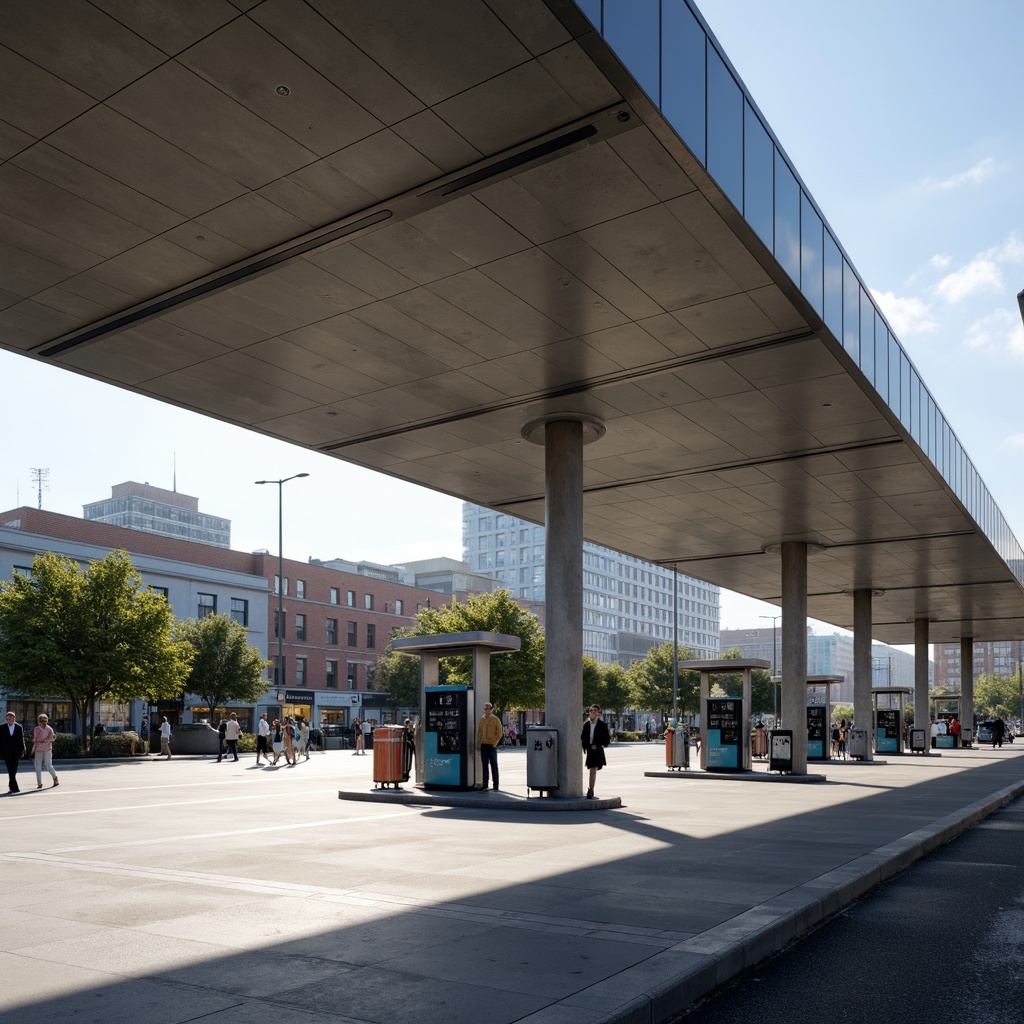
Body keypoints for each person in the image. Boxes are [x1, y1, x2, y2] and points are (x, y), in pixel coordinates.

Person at [581, 704, 610, 799]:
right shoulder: (585, 725)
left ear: (599, 714)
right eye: (591, 711)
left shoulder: (602, 725)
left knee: (593, 769)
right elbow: (583, 738)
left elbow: (606, 741)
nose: (592, 713)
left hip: (597, 750)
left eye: (595, 711)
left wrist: (597, 746)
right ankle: (590, 788)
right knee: (591, 769)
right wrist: (586, 746)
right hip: (589, 750)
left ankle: (590, 789)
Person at [476, 702, 503, 791]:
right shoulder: (482, 719)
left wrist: (494, 743)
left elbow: (500, 733)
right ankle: (485, 784)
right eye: (485, 708)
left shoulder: (496, 719)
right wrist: (479, 742)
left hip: (491, 745)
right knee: (484, 765)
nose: (487, 710)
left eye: (488, 708)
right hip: (484, 744)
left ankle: (496, 784)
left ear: (491, 709)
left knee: (494, 765)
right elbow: (479, 731)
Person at [31, 713, 59, 789]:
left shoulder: (49, 729)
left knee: (48, 765)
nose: (42, 722)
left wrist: (44, 740)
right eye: (40, 720)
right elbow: (35, 740)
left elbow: (53, 738)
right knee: (38, 766)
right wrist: (34, 748)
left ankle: (55, 778)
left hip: (47, 749)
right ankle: (39, 782)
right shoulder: (36, 729)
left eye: (43, 720)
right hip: (39, 749)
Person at [1, 710, 26, 794]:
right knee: (10, 769)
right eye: (8, 717)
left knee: (14, 769)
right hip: (6, 752)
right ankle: (14, 788)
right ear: (6, 718)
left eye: (11, 716)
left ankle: (13, 787)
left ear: (14, 718)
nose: (9, 718)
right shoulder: (2, 727)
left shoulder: (19, 727)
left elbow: (21, 739)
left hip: (16, 751)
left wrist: (23, 749)